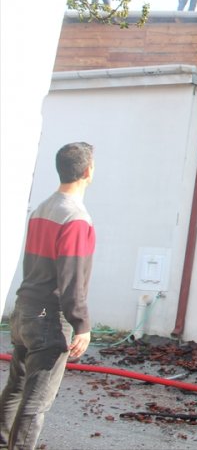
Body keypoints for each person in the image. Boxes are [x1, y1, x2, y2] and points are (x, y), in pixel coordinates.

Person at [0, 143, 97, 450]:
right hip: (48, 319)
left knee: (15, 389)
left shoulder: (42, 207)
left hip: (24, 309)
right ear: (88, 172)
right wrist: (81, 324)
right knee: (36, 402)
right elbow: (71, 278)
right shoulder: (76, 217)